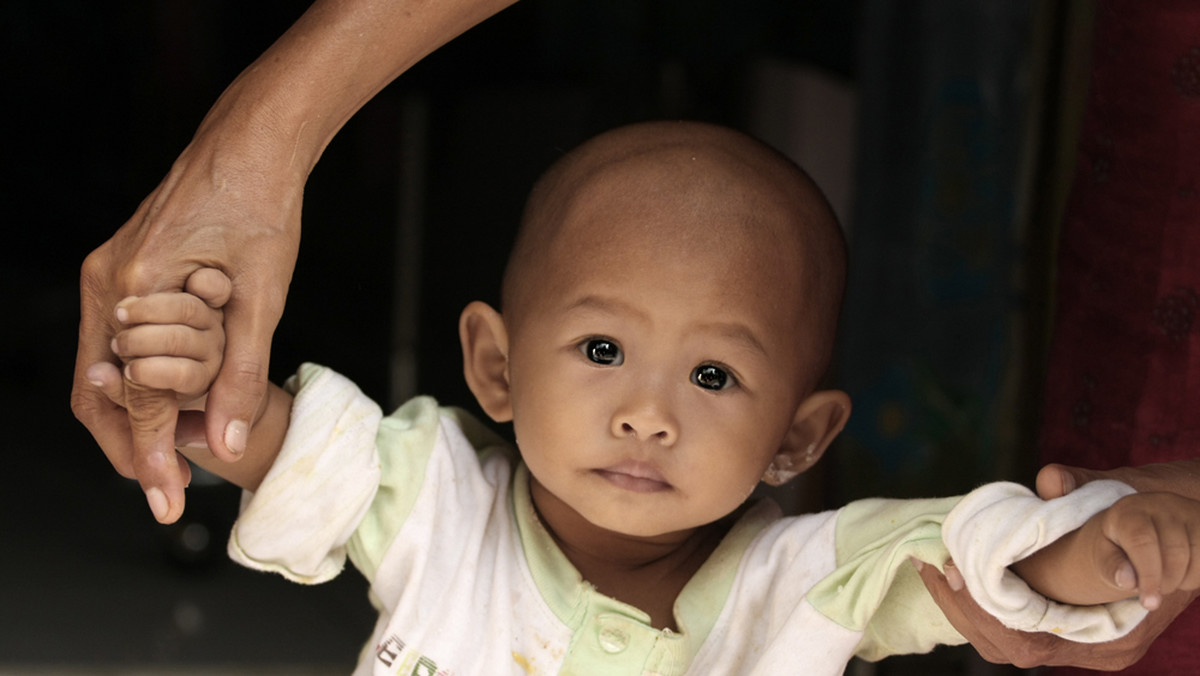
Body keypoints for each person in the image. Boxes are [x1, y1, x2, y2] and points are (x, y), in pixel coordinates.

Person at [90, 121, 1200, 674]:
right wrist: (190, 374)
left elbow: (977, 548)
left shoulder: (807, 583)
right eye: (603, 347)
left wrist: (1099, 546)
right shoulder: (440, 498)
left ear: (796, 437)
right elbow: (290, 446)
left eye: (714, 375)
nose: (648, 413)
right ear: (497, 368)